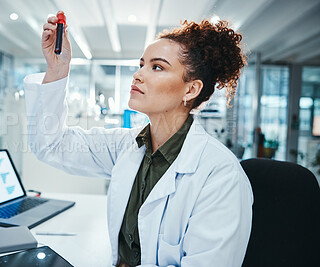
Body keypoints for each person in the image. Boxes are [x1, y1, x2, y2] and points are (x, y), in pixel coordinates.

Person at [24, 11, 253, 267]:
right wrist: (58, 67)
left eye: (157, 67)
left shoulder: (220, 175)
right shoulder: (127, 146)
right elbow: (51, 145)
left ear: (191, 89)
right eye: (141, 64)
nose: (138, 75)